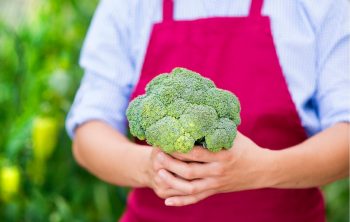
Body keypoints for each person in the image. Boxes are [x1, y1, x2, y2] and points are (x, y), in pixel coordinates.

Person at [66, 0, 349, 221]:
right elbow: (90, 131)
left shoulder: (317, 5)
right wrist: (150, 168)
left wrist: (263, 169)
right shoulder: (130, 5)